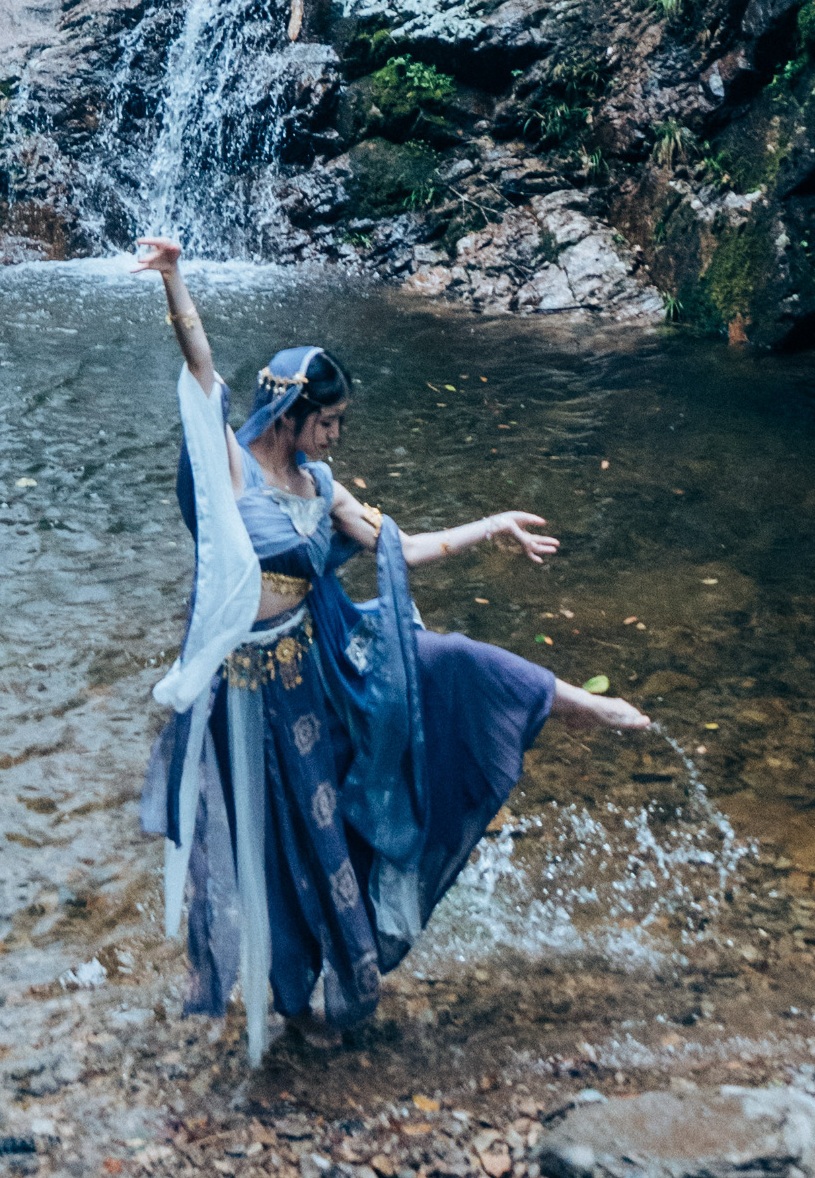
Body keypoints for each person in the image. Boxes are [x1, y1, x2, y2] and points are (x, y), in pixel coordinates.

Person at [133, 231, 651, 1060]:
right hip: (241, 695)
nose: (336, 437)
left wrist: (491, 528)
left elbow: (395, 549)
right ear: (291, 414)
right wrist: (176, 281)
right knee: (259, 851)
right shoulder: (230, 468)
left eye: (339, 424)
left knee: (427, 692)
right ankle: (278, 999)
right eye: (328, 422)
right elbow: (202, 371)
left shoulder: (321, 487)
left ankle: (567, 703)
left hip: (313, 674)